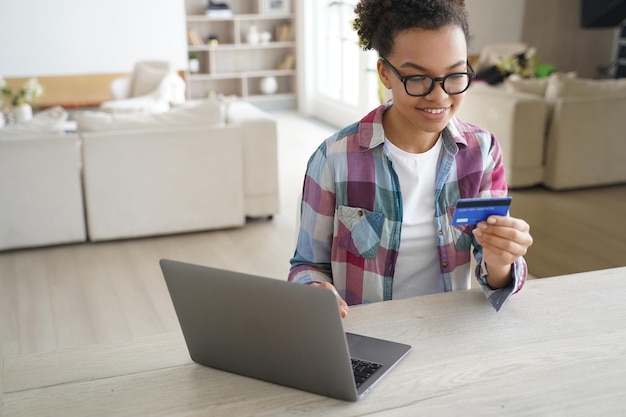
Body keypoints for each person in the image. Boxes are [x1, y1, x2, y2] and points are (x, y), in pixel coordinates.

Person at [289, 0, 533, 317]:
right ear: (385, 74)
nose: (439, 96)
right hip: (367, 336)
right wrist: (314, 291)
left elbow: (494, 274)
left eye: (455, 74)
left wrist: (501, 259)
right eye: (417, 78)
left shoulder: (482, 152)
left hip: (448, 332)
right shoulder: (334, 159)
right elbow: (306, 265)